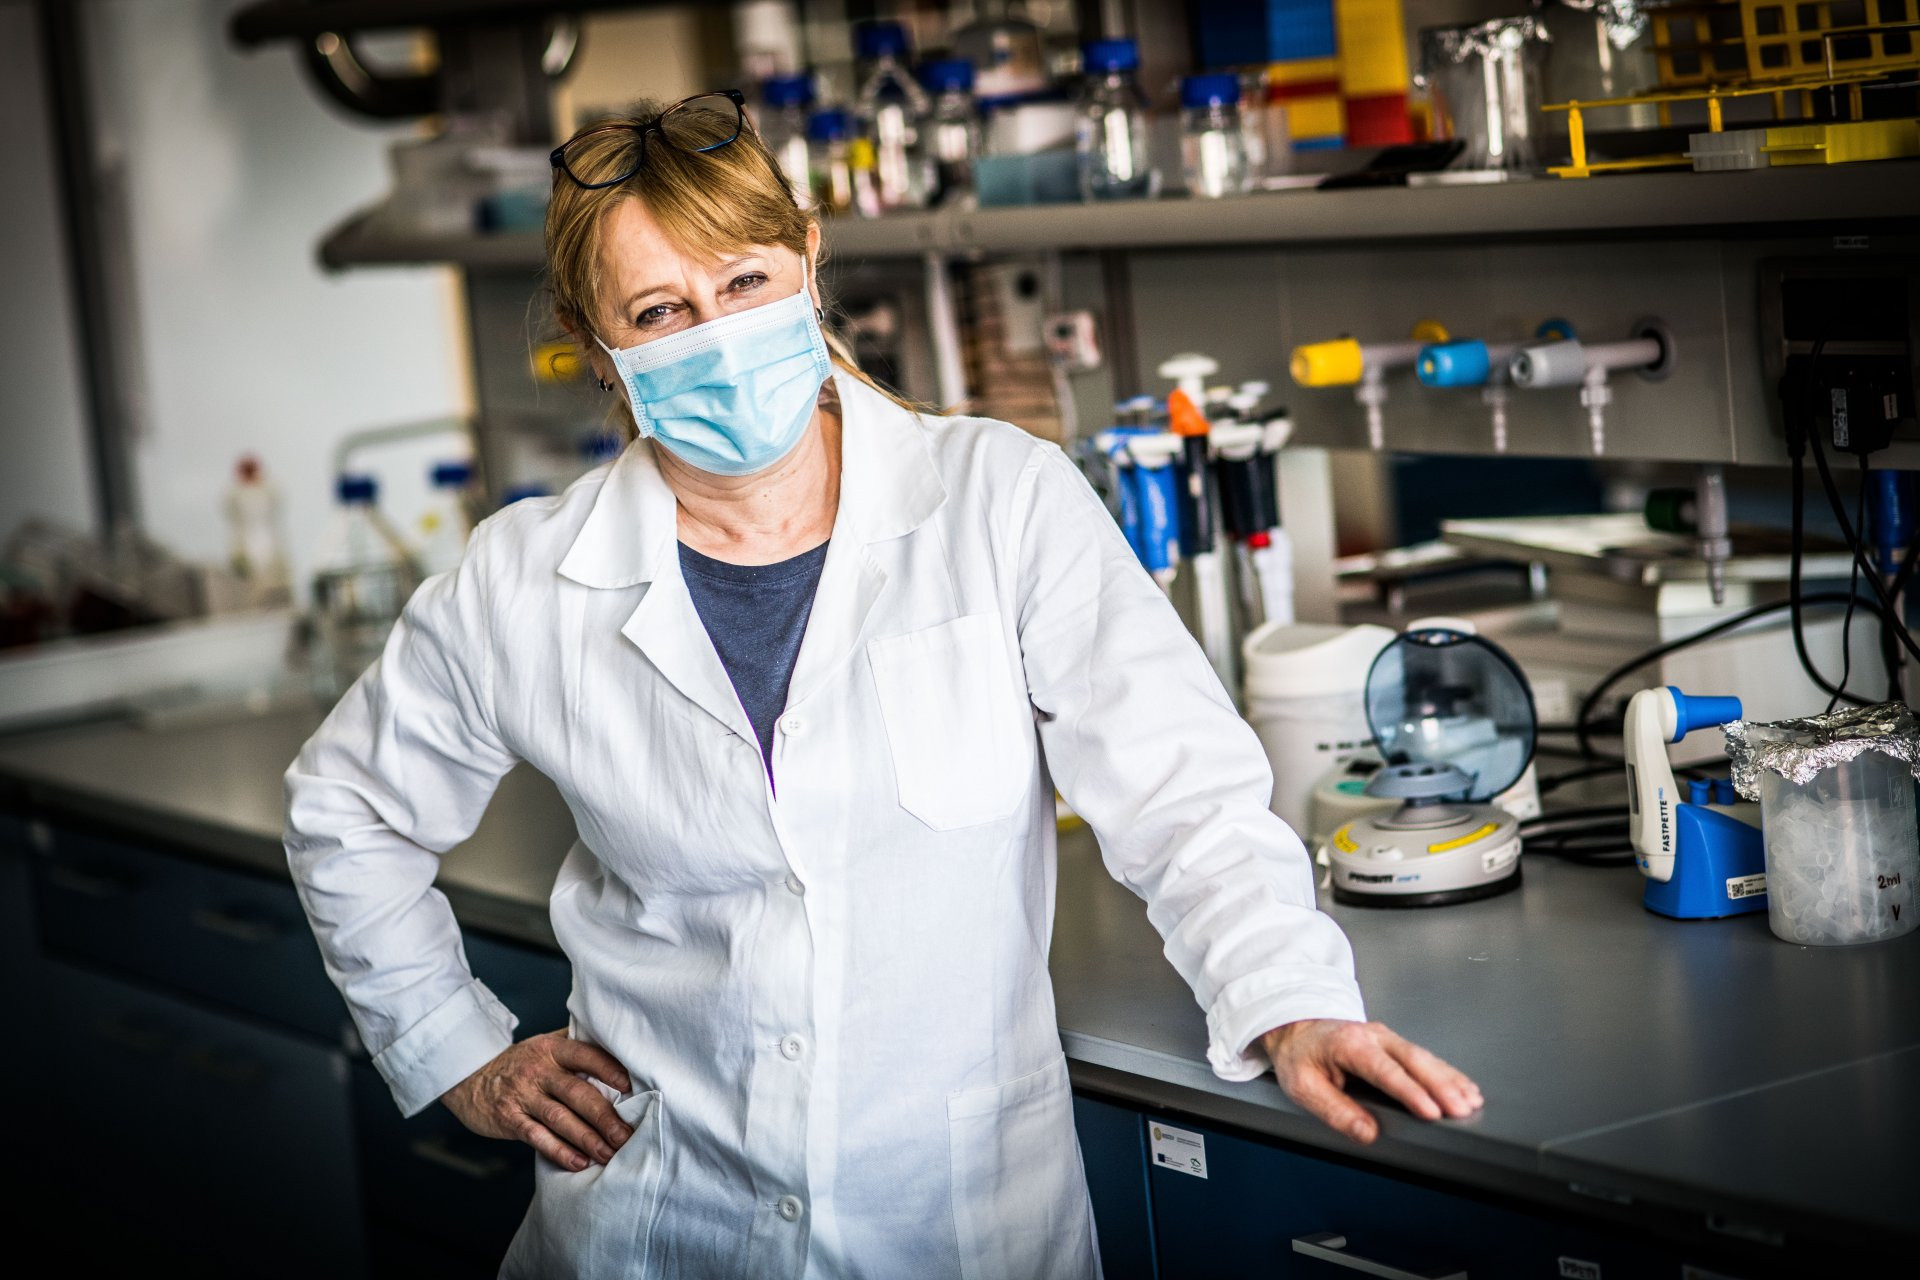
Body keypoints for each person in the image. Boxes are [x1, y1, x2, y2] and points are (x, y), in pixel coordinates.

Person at [284, 90, 1482, 1280]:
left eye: (743, 282)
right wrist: (457, 1051)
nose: (716, 334)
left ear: (808, 262)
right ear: (597, 346)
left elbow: (1182, 796)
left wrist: (1289, 998)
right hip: (658, 1223)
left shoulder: (999, 500)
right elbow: (346, 810)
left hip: (956, 1219)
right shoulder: (526, 578)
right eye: (660, 311)